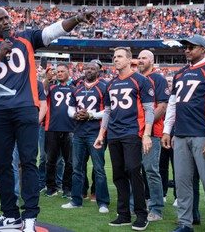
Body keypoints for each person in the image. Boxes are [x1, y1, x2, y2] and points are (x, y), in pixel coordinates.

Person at [0, 7, 95, 232]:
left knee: (28, 161)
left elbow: (53, 31)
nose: (5, 22)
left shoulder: (26, 37)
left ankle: (30, 216)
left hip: (25, 108)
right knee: (2, 163)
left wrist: (77, 19)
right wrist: (0, 53)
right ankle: (10, 214)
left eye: (7, 18)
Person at [162, 35, 205, 232]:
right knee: (182, 183)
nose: (187, 50)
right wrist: (166, 130)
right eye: (185, 47)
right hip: (180, 134)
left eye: (191, 47)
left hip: (202, 134)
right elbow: (172, 104)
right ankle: (185, 224)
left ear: (203, 49)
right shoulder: (180, 73)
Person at [94, 47, 154, 231]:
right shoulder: (110, 84)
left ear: (129, 60)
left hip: (132, 132)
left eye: (119, 56)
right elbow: (107, 111)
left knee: (133, 171)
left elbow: (149, 109)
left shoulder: (140, 81)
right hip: (114, 134)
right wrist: (101, 134)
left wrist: (146, 134)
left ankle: (141, 214)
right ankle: (123, 214)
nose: (115, 59)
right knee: (118, 174)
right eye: (114, 57)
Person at [61, 60, 110, 213]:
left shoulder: (104, 87)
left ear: (98, 71)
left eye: (92, 69)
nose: (89, 71)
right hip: (79, 132)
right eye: (87, 68)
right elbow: (69, 109)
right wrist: (75, 115)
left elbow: (109, 110)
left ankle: (103, 202)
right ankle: (76, 200)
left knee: (99, 169)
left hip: (96, 133)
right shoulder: (77, 89)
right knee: (77, 168)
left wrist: (91, 115)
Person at [137, 50, 169, 222]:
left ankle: (156, 208)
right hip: (134, 132)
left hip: (152, 133)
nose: (141, 61)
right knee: (134, 171)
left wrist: (146, 127)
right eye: (139, 58)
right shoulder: (135, 78)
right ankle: (137, 204)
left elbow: (162, 106)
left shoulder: (159, 79)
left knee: (151, 170)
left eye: (144, 58)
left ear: (152, 60)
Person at [43, 63, 74, 199]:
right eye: (58, 71)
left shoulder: (74, 88)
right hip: (52, 127)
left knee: (70, 161)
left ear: (68, 73)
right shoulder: (51, 87)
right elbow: (41, 93)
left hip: (70, 128)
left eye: (62, 71)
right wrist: (47, 79)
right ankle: (51, 187)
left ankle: (67, 188)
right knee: (50, 160)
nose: (60, 73)